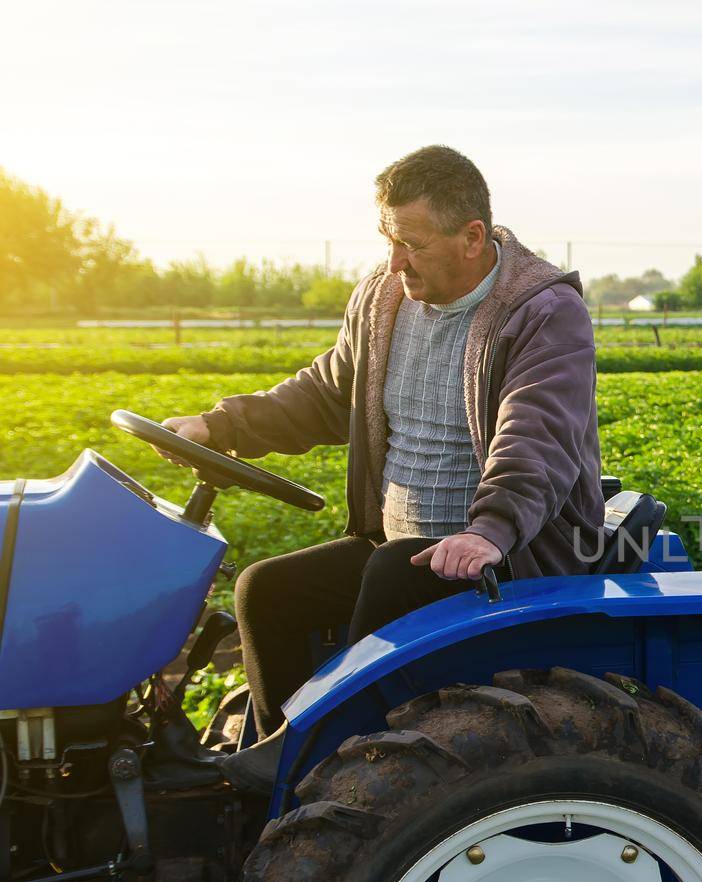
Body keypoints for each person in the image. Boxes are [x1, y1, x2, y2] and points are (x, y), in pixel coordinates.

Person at [160, 145, 603, 792]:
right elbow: (327, 391)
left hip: (505, 557)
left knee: (389, 572)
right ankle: (280, 768)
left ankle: (333, 767)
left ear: (472, 238)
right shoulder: (383, 298)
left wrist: (490, 529)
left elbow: (536, 436)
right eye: (388, 239)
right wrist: (220, 427)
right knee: (266, 589)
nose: (395, 260)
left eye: (412, 243)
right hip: (399, 544)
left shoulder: (540, 312)